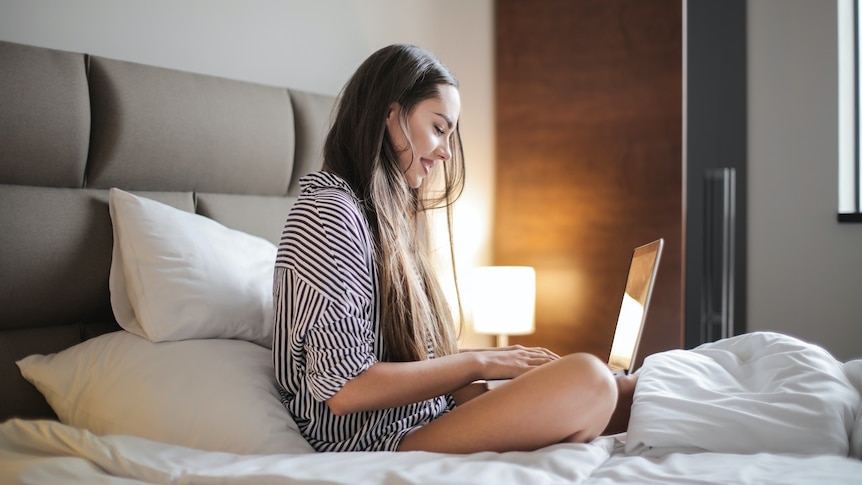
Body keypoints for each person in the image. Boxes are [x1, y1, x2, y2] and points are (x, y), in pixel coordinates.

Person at [273, 43, 637, 454]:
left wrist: (504, 364)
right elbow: (345, 389)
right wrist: (481, 362)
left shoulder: (383, 217)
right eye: (439, 128)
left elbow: (406, 355)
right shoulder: (328, 214)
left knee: (630, 388)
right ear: (390, 115)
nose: (446, 151)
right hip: (377, 441)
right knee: (589, 380)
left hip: (428, 417)